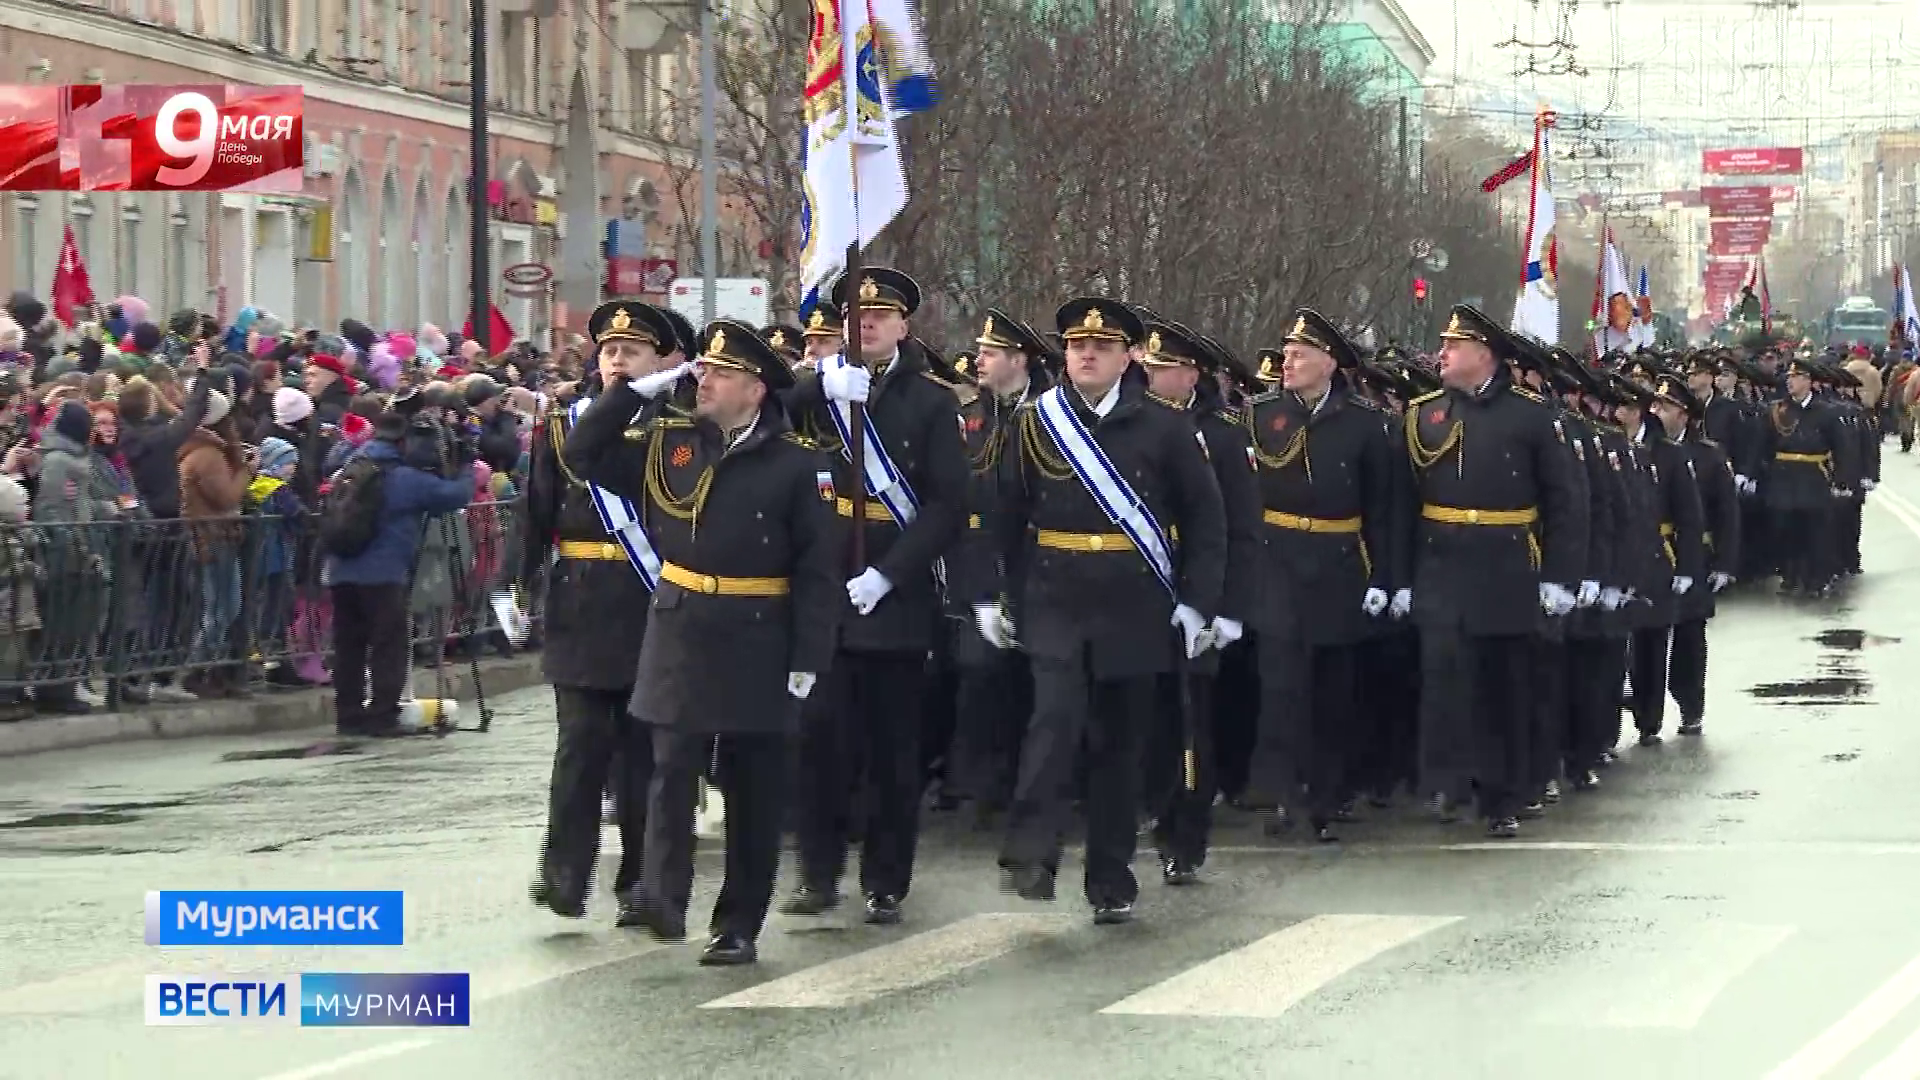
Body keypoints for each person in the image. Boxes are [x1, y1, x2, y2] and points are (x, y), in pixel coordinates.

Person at [563, 318, 839, 966]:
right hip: (681, 625)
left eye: (720, 374)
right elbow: (581, 453)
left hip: (758, 633)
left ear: (756, 390)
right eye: (703, 369)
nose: (703, 380)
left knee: (752, 789)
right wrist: (635, 392)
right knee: (669, 768)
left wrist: (808, 659)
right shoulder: (669, 443)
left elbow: (817, 571)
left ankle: (738, 922)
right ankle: (663, 895)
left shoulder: (796, 464)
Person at [979, 296, 1226, 924]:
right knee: (1054, 720)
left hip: (1135, 601)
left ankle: (1110, 874)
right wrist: (989, 594)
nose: (1087, 354)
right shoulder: (1036, 424)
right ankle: (1032, 854)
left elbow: (1206, 522)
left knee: (1121, 742)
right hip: (1055, 593)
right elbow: (1002, 514)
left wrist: (1198, 604)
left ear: (1128, 357)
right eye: (1077, 345)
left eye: (1104, 346)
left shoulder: (1165, 427)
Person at [780, 269, 967, 927]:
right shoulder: (816, 394)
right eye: (856, 317)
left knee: (892, 750)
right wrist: (817, 387)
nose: (867, 326)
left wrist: (890, 574)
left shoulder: (931, 402)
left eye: (880, 317)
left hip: (895, 591)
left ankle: (886, 879)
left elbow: (948, 505)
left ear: (903, 327)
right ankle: (816, 872)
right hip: (823, 588)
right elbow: (760, 421)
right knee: (817, 742)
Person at [522, 301, 681, 924]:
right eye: (610, 351)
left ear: (657, 362)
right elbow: (537, 508)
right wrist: (517, 584)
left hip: (648, 600)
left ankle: (640, 882)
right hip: (581, 601)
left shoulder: (675, 428)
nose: (618, 361)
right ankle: (563, 875)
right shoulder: (563, 425)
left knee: (644, 755)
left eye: (633, 352)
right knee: (578, 750)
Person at [1400, 305, 1585, 837]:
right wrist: (1398, 576)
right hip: (1441, 565)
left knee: (1503, 686)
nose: (1442, 354)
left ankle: (1503, 794)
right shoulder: (1424, 415)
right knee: (1444, 682)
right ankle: (1451, 783)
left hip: (1506, 566)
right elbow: (1400, 503)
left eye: (1452, 346)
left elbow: (1565, 502)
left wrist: (1559, 576)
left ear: (1483, 354)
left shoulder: (1532, 416)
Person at [1238, 309, 1395, 843]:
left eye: (1300, 355)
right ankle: (1286, 793)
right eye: (1286, 354)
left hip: (1338, 563)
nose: (1288, 363)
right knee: (1282, 688)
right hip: (1277, 560)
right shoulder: (1258, 414)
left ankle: (1328, 797)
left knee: (1332, 690)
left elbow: (1384, 509)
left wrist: (1385, 578)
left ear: (1329, 363)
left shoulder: (1367, 424)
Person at [1135, 317, 1260, 877]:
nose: (1153, 377)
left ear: (1191, 375)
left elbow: (1240, 528)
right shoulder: (1130, 426)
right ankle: (1155, 809)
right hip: (1141, 588)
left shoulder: (1225, 435)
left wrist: (1229, 607)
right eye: (1150, 367)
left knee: (1192, 721)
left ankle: (1186, 835)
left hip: (1200, 588)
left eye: (1164, 369)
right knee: (1147, 717)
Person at [942, 309, 1049, 825]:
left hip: (1040, 566)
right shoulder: (970, 418)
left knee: (1041, 682)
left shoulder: (1049, 416)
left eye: (990, 353)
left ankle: (1039, 787)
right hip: (978, 561)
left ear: (1018, 360)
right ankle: (984, 785)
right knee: (980, 674)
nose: (979, 360)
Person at [324, 409, 473, 736]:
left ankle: (348, 715)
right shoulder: (404, 477)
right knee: (387, 645)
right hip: (383, 573)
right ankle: (382, 715)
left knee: (348, 646)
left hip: (340, 569)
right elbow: (454, 496)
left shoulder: (354, 465)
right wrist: (465, 468)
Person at [1651, 373, 1740, 737]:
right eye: (1655, 405)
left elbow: (1727, 515)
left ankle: (1690, 707)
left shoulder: (1708, 456)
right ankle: (1648, 714)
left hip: (1694, 555)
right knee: (1649, 638)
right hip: (1652, 554)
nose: (1657, 412)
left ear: (1685, 415)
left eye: (1666, 406)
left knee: (1689, 637)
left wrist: (1725, 563)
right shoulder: (1644, 449)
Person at [1749, 357, 1856, 596]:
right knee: (1785, 528)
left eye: (1796, 377)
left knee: (1815, 530)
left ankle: (1817, 577)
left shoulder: (1826, 412)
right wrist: (1755, 475)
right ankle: (1791, 575)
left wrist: (1843, 480)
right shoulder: (1777, 410)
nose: (1790, 382)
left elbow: (1842, 448)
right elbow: (1761, 446)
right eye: (1788, 377)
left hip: (1813, 476)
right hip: (1783, 477)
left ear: (1809, 381)